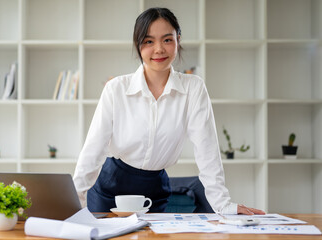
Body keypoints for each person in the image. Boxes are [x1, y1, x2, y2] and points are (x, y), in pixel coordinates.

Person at [73, 7, 265, 215]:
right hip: (110, 189)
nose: (158, 49)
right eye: (148, 41)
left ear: (178, 40)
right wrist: (72, 203)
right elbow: (93, 151)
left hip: (155, 191)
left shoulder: (193, 88)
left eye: (166, 40)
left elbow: (207, 149)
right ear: (138, 44)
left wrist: (223, 205)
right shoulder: (117, 89)